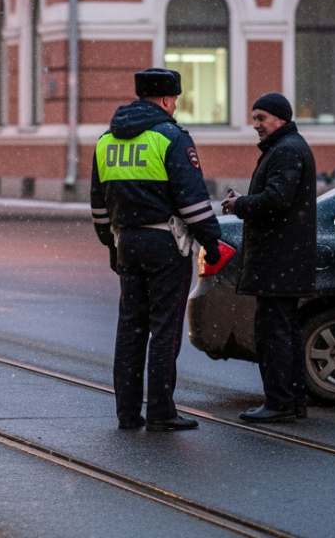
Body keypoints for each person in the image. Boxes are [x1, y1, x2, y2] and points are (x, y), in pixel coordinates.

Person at [91, 68, 222, 432]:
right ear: (167, 99)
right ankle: (162, 411)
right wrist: (211, 244)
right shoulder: (172, 137)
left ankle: (128, 413)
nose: (175, 106)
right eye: (175, 100)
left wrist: (111, 244)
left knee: (131, 328)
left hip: (127, 242)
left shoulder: (106, 141)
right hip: (166, 243)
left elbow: (98, 206)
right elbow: (193, 202)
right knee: (164, 329)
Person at [221, 92, 316, 423]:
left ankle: (279, 402)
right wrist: (247, 201)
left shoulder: (287, 150)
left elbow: (277, 199)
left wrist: (240, 206)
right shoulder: (287, 147)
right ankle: (290, 401)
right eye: (254, 117)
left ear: (281, 119)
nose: (256, 125)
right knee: (285, 330)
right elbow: (278, 197)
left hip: (279, 260)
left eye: (262, 118)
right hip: (284, 260)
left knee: (273, 332)